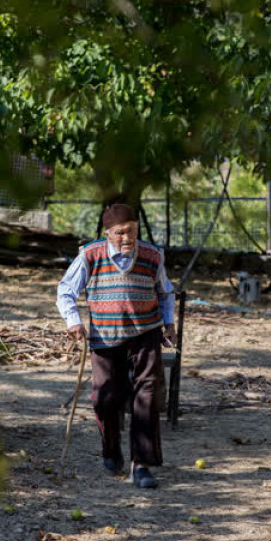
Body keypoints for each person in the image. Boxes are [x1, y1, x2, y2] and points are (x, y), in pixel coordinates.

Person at [56, 203, 176, 489]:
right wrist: (73, 321)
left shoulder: (152, 255)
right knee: (105, 397)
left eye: (132, 231)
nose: (127, 238)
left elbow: (165, 292)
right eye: (120, 233)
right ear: (108, 233)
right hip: (104, 336)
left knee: (147, 396)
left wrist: (168, 323)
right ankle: (111, 446)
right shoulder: (90, 255)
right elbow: (65, 291)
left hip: (144, 333)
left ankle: (142, 465)